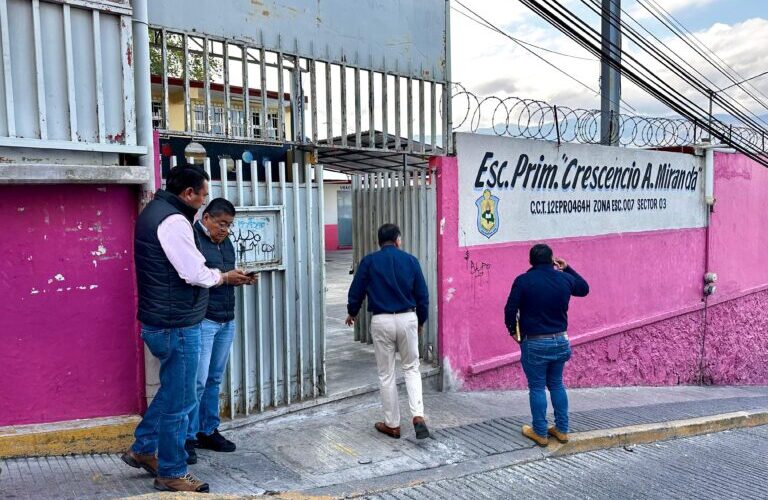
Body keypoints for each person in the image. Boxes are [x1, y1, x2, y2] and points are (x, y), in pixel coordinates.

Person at [121, 166, 250, 493]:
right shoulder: (174, 221)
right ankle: (172, 471)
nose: (204, 200)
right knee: (181, 400)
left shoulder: (156, 212)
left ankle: (143, 447)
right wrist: (221, 277)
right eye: (203, 194)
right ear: (188, 194)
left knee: (173, 390)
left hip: (164, 320)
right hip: (176, 324)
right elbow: (194, 272)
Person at [185, 198, 257, 464]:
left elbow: (223, 276)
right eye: (221, 223)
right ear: (206, 219)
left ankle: (208, 430)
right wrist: (225, 277)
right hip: (203, 319)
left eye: (229, 225)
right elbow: (196, 276)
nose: (225, 229)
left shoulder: (226, 243)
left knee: (214, 379)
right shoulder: (193, 240)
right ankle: (187, 437)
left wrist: (240, 279)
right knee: (198, 381)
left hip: (227, 319)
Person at [346, 223, 430, 440]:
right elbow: (422, 295)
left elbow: (356, 290)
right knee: (411, 367)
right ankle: (418, 416)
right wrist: (421, 320)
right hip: (408, 318)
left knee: (387, 373)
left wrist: (352, 312)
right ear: (398, 240)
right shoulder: (410, 261)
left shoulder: (369, 262)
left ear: (379, 241)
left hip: (381, 320)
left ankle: (392, 425)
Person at [504, 243, 589, 447]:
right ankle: (562, 429)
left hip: (534, 342)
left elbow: (509, 310)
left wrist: (513, 332)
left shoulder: (523, 281)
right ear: (552, 261)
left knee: (537, 387)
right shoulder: (565, 279)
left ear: (530, 261)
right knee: (557, 384)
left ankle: (540, 432)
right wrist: (567, 267)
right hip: (560, 340)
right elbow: (584, 288)